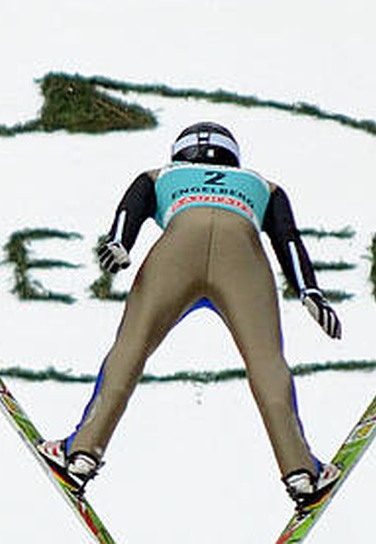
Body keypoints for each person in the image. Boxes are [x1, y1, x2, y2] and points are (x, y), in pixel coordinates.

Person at [38, 121, 343, 509]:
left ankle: (82, 453)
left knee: (131, 346)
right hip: (243, 254)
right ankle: (301, 472)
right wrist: (309, 290)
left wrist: (120, 242)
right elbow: (288, 238)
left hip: (178, 247)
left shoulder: (163, 173)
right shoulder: (262, 184)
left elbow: (130, 209)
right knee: (267, 361)